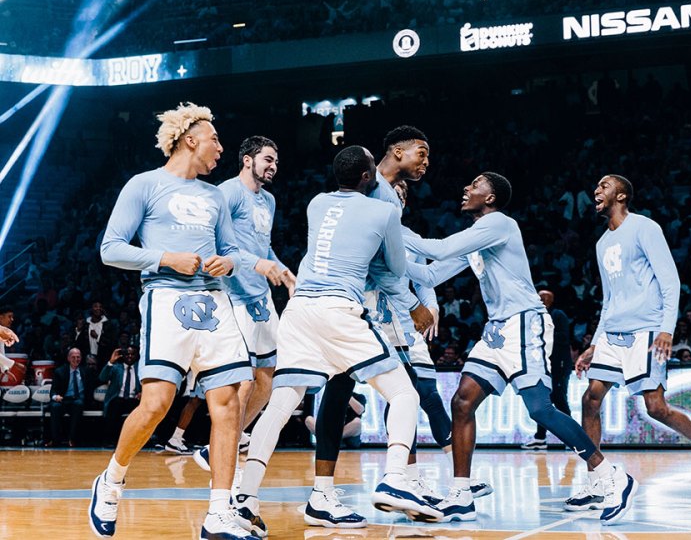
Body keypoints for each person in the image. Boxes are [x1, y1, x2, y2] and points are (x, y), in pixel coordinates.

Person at [233, 145, 442, 537]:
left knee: (282, 404)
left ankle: (246, 500)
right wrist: (415, 304)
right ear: (368, 178)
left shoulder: (317, 203)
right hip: (338, 310)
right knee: (403, 394)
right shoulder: (384, 212)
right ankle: (396, 477)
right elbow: (394, 271)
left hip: (298, 311)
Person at [404, 172, 636, 525]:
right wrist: (385, 256)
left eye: (476, 184)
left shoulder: (499, 223)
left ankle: (608, 474)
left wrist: (392, 229)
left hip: (525, 322)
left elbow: (440, 248)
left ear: (492, 197)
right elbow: (431, 276)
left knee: (540, 409)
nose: (466, 188)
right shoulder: (478, 239)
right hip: (496, 330)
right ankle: (461, 494)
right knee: (462, 401)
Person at [91, 102, 255, 539]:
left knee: (229, 401)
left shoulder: (216, 195)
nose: (221, 147)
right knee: (157, 404)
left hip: (214, 301)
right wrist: (165, 257)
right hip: (165, 298)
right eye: (215, 138)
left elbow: (234, 251)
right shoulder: (144, 185)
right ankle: (111, 481)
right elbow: (111, 248)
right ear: (190, 139)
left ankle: (218, 512)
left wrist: (228, 263)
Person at [574, 174, 691, 512]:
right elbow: (609, 299)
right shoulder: (601, 243)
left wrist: (667, 328)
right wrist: (594, 343)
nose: (596, 190)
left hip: (646, 330)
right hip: (612, 333)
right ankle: (597, 482)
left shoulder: (645, 228)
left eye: (604, 186)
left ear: (621, 195)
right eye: (596, 186)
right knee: (590, 399)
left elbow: (670, 279)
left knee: (656, 408)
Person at [301, 127, 438, 528]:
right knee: (361, 387)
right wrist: (414, 302)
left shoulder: (393, 192)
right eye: (421, 152)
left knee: (375, 386)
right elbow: (381, 263)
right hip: (359, 300)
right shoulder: (371, 188)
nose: (426, 162)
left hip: (371, 298)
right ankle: (366, 485)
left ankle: (401, 481)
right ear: (396, 151)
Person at [192, 135, 296, 475]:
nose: (274, 166)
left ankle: (220, 447)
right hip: (231, 296)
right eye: (268, 159)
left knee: (269, 378)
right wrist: (259, 265)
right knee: (243, 381)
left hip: (261, 299)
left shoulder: (268, 200)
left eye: (277, 161)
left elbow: (264, 249)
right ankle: (224, 456)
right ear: (248, 160)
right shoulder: (226, 193)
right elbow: (220, 246)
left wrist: (282, 270)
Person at [521, 289, 572, 450]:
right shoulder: (534, 316)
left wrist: (542, 333)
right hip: (542, 365)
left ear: (552, 300)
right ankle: (540, 437)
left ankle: (572, 437)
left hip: (559, 364)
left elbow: (564, 337)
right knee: (543, 400)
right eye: (540, 297)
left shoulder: (557, 315)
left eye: (546, 298)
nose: (542, 300)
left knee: (559, 399)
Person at [49, 347, 96, 447]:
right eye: (73, 357)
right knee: (54, 407)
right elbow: (53, 390)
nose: (76, 359)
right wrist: (55, 397)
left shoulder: (86, 371)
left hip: (78, 400)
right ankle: (55, 440)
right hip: (63, 399)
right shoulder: (60, 371)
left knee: (78, 404)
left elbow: (94, 384)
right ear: (68, 358)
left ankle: (72, 439)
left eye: (78, 357)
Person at [98, 347, 141, 447]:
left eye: (132, 354)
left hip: (133, 399)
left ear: (136, 356)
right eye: (127, 354)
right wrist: (110, 362)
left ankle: (137, 442)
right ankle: (109, 441)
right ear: (123, 356)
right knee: (114, 407)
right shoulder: (116, 367)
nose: (130, 356)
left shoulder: (140, 369)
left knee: (142, 409)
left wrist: (142, 392)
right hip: (118, 398)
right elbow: (102, 377)